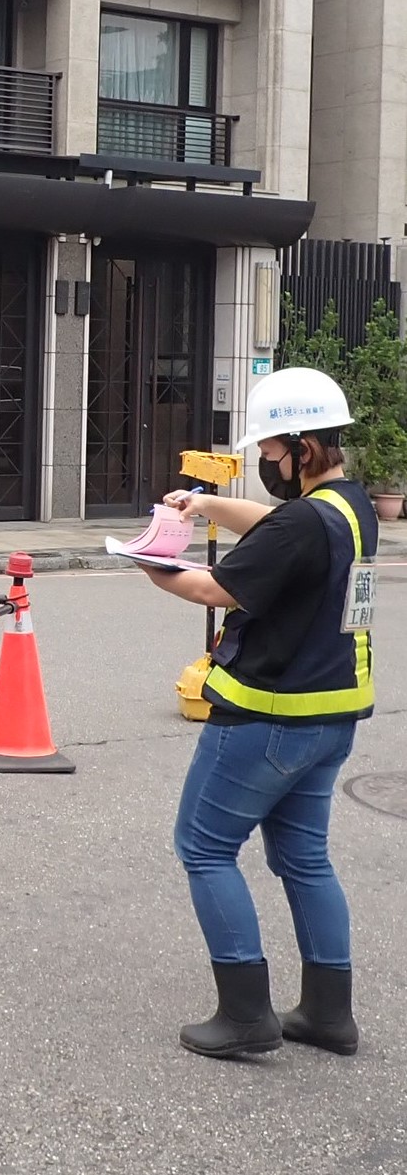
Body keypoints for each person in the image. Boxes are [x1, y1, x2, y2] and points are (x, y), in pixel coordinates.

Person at [138, 366, 374, 1060]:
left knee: (204, 847)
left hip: (266, 714)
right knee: (304, 857)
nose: (264, 462)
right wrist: (206, 506)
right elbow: (278, 525)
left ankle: (244, 1013)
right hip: (331, 717)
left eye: (270, 451)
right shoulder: (348, 506)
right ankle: (328, 1014)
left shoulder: (304, 522)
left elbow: (215, 587)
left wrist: (148, 559)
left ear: (301, 445)